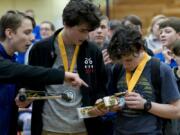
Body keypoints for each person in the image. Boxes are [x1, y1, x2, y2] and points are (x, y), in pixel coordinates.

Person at [0, 10, 87, 135]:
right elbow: (23, 71)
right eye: (27, 32)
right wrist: (62, 75)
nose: (33, 37)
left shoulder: (12, 60)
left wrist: (24, 95)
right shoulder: (10, 66)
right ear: (9, 33)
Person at [27, 0, 107, 135]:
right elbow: (31, 87)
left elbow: (101, 87)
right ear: (66, 23)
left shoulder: (93, 51)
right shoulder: (40, 49)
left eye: (88, 31)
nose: (86, 35)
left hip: (84, 128)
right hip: (49, 128)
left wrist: (100, 101)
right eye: (82, 30)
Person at [107, 25, 180, 135]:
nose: (125, 65)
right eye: (121, 60)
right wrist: (107, 105)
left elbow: (176, 111)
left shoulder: (160, 69)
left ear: (140, 49)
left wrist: (146, 104)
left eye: (129, 60)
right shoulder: (117, 68)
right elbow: (112, 102)